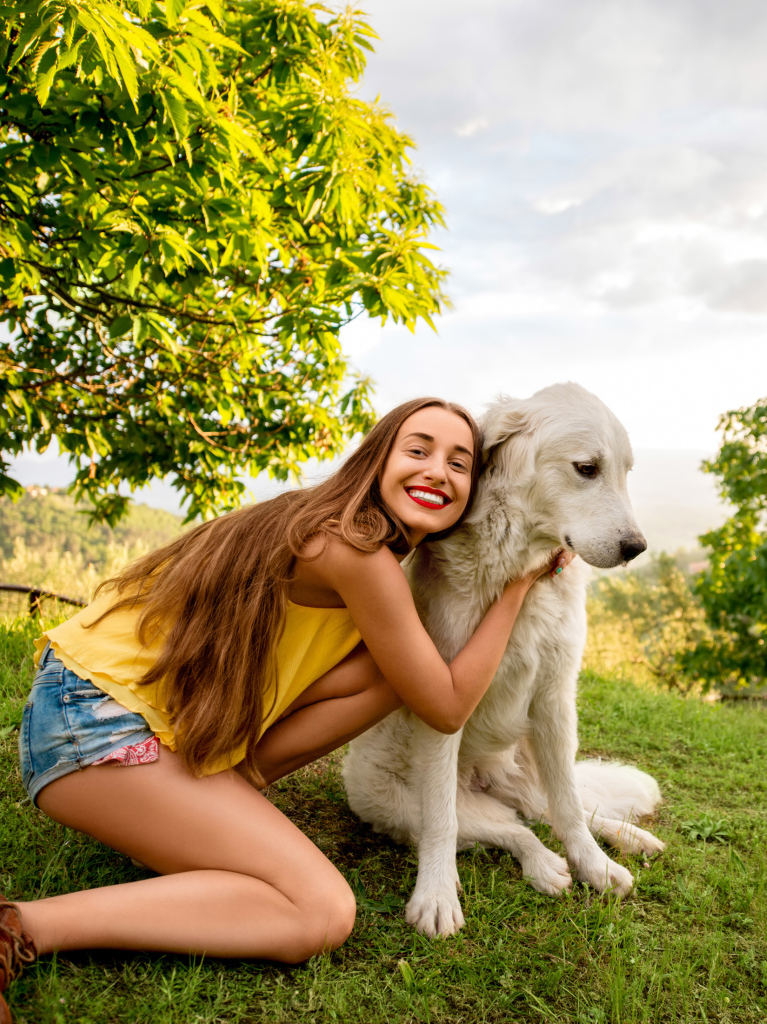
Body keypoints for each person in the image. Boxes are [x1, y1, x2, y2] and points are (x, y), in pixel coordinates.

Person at [0, 397, 570, 1023]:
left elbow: (416, 682)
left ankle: (233, 784)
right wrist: (519, 583)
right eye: (418, 450)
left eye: (460, 463)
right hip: (92, 724)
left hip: (103, 715)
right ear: (378, 458)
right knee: (320, 912)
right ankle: (22, 927)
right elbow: (449, 706)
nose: (439, 471)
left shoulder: (337, 529)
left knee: (393, 671)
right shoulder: (355, 552)